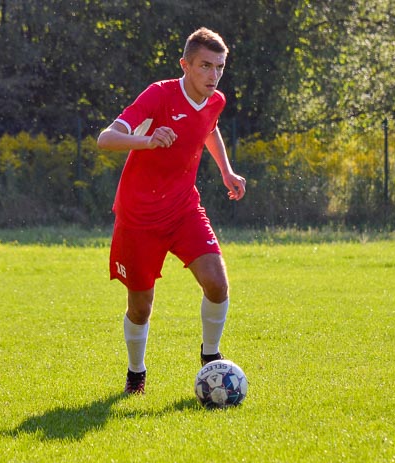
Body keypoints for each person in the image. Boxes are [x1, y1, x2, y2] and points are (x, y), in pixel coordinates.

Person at [97, 27, 246, 395]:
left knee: (217, 282)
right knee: (141, 306)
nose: (213, 76)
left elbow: (209, 129)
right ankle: (136, 373)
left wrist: (226, 171)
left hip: (183, 208)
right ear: (185, 65)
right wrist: (147, 141)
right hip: (139, 217)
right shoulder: (158, 95)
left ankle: (211, 358)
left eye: (220, 67)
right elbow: (105, 139)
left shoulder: (215, 100)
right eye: (205, 66)